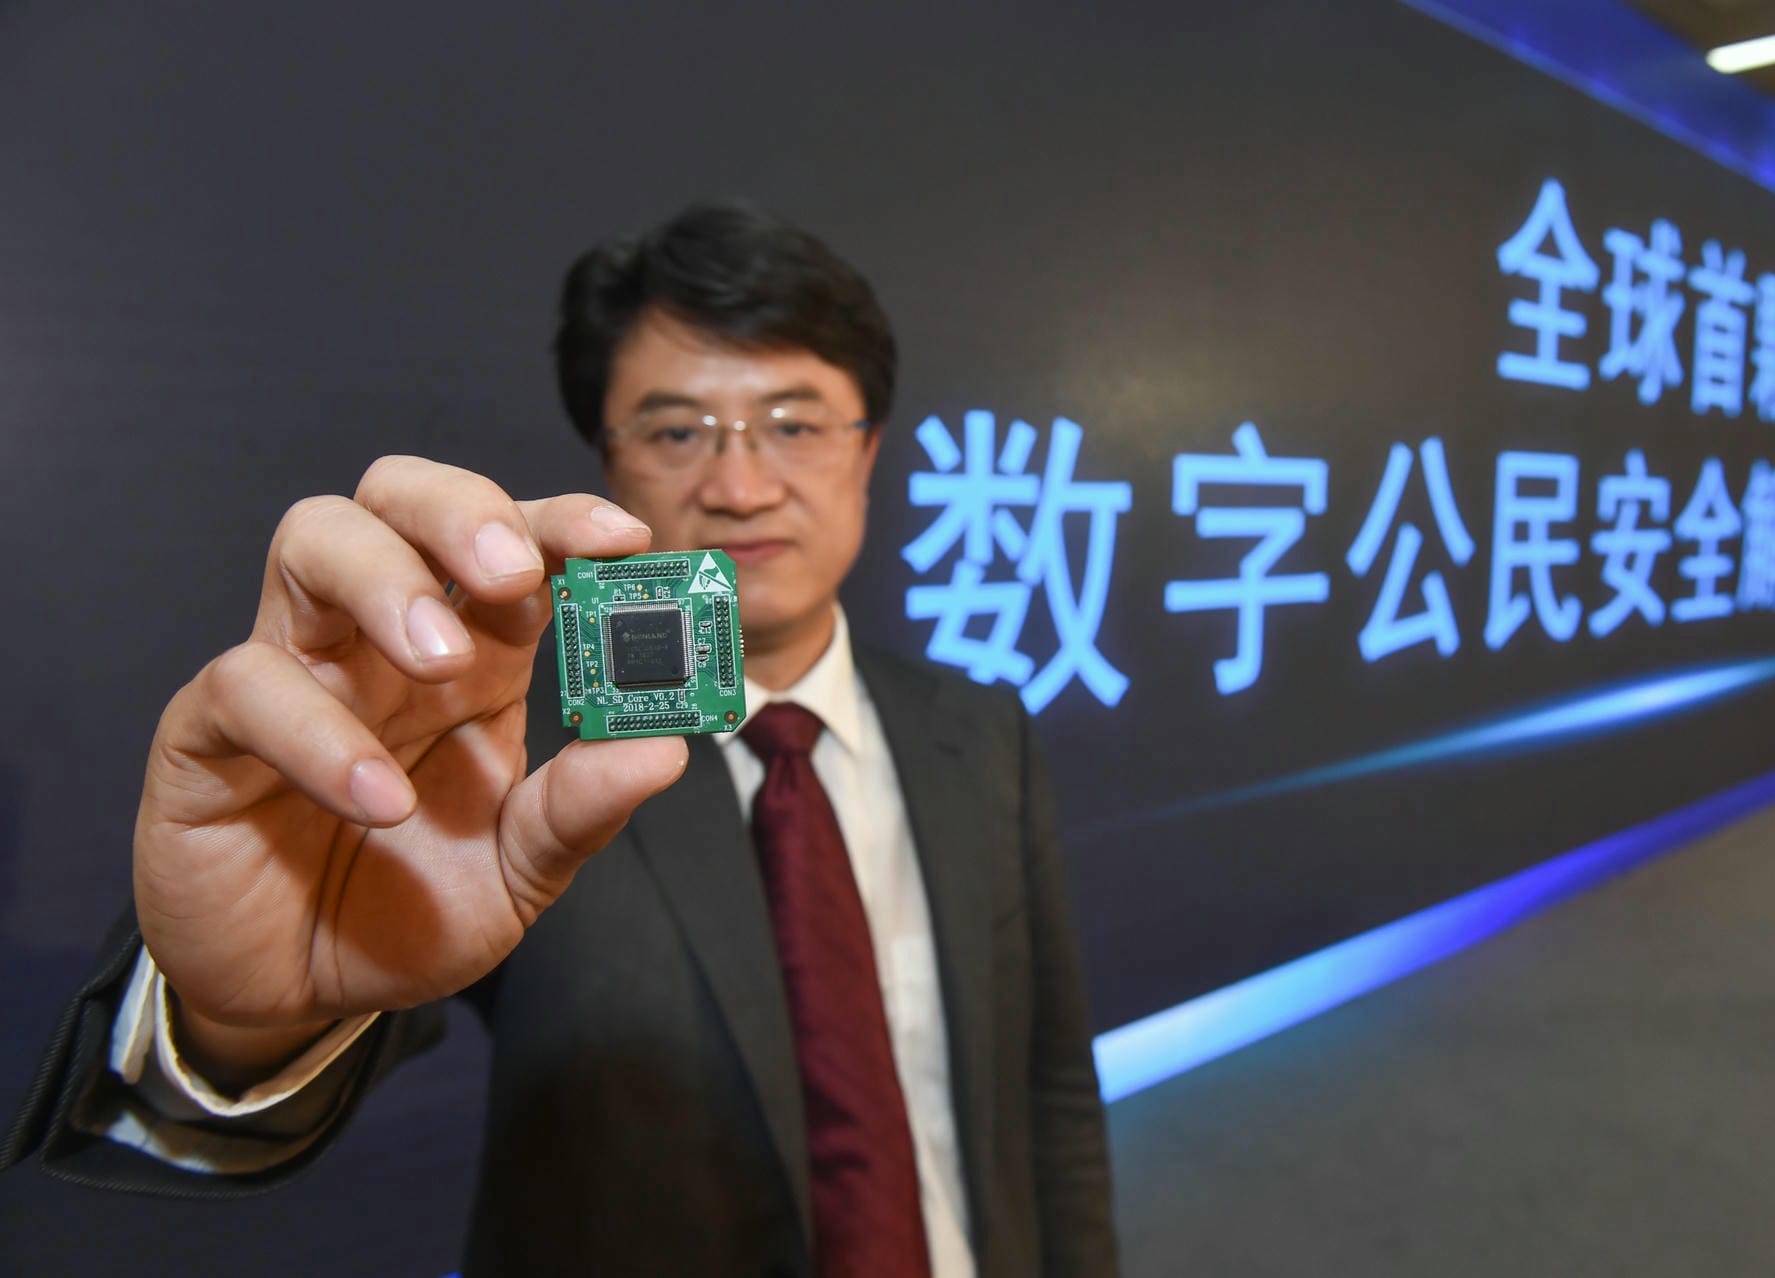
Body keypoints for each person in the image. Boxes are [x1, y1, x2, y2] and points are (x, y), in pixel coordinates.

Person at [2, 203, 1119, 1277]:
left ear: (867, 451)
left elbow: (1053, 1095)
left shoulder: (979, 729)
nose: (740, 485)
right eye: (676, 430)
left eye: (794, 423)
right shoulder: (497, 762)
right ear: (610, 462)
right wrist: (235, 1019)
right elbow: (307, 995)